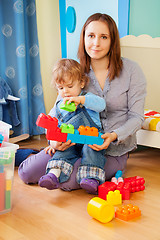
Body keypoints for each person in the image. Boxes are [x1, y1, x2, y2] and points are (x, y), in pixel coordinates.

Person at [18, 13, 146, 193]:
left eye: (104, 37)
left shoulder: (132, 70)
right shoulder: (74, 71)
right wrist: (53, 141)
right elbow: (55, 112)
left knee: (68, 180)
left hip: (111, 149)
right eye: (91, 36)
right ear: (84, 37)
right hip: (72, 144)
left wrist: (112, 136)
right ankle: (35, 155)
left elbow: (137, 117)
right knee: (26, 173)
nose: (96, 43)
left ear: (112, 41)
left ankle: (72, 166)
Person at [38, 58, 106, 194]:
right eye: (61, 88)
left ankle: (90, 178)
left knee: (92, 152)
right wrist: (52, 143)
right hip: (69, 141)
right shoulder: (58, 106)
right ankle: (53, 175)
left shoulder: (88, 98)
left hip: (89, 139)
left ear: (81, 83)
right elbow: (50, 125)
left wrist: (81, 100)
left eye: (70, 87)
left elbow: (101, 105)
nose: (66, 92)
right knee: (62, 153)